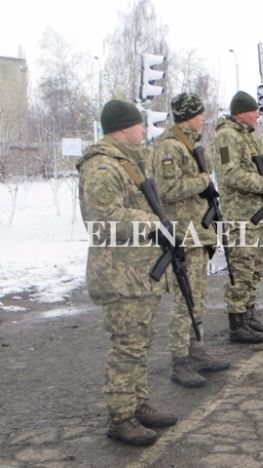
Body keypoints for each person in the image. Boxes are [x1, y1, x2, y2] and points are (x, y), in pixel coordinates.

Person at [77, 99, 177, 446]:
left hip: (139, 270)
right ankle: (120, 418)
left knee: (141, 341)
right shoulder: (103, 166)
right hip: (119, 273)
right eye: (140, 125)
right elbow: (102, 217)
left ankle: (137, 404)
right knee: (127, 345)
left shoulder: (129, 161)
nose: (144, 130)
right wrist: (154, 223)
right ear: (123, 127)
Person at [152, 92, 230, 388]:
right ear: (187, 115)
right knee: (184, 301)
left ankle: (196, 352)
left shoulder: (190, 143)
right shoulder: (170, 146)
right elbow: (166, 190)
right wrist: (203, 183)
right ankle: (179, 361)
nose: (203, 117)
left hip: (197, 232)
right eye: (199, 113)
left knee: (197, 298)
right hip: (183, 234)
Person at [212, 91, 263, 343]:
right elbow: (230, 175)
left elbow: (262, 170)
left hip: (255, 213)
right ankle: (237, 322)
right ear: (240, 113)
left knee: (256, 267)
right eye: (253, 111)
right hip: (240, 214)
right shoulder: (227, 136)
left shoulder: (249, 136)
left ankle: (248, 314)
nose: (258, 115)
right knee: (242, 268)